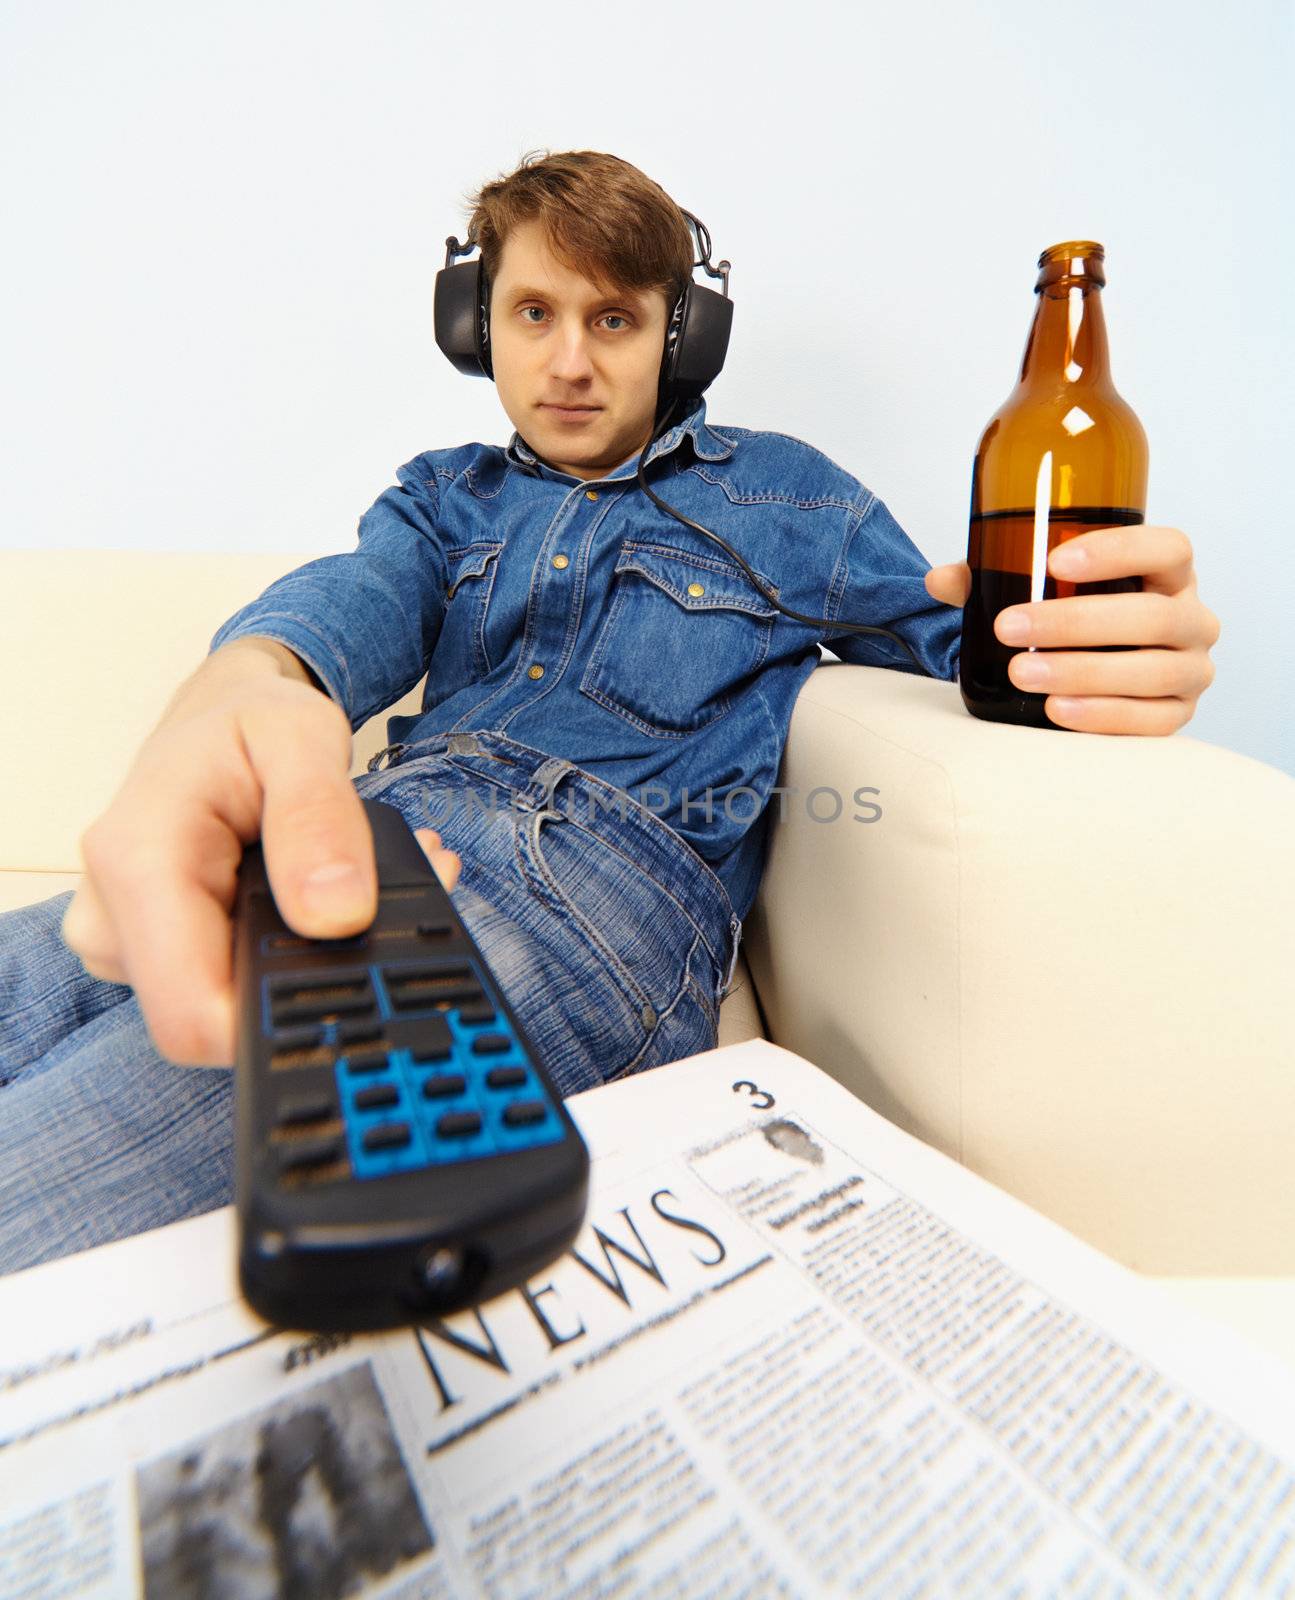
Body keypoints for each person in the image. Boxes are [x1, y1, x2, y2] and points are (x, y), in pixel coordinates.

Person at [0, 150, 1220, 1273]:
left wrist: (1109, 645)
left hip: (581, 894)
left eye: (614, 320)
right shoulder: (441, 498)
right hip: (367, 842)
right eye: (534, 314)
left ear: (677, 340)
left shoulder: (793, 500)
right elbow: (345, 606)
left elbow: (993, 650)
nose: (570, 363)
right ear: (477, 326)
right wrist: (241, 683)